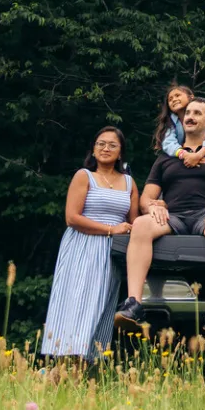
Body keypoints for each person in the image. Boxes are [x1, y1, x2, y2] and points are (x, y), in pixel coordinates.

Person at [115, 99, 205, 331]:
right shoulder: (166, 157)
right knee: (142, 224)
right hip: (172, 215)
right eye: (187, 113)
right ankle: (133, 304)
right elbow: (146, 198)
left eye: (197, 113)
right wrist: (152, 207)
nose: (190, 116)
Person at [40, 126, 140, 361]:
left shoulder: (129, 183)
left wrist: (156, 208)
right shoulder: (84, 176)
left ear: (121, 152)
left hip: (112, 252)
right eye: (101, 144)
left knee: (101, 306)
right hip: (82, 246)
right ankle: (64, 360)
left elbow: (134, 222)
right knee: (77, 303)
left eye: (112, 145)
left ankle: (85, 365)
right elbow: (72, 218)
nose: (106, 148)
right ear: (93, 150)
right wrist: (109, 229)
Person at [153, 84, 205, 167]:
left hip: (202, 151)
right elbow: (168, 143)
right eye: (170, 99)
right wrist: (186, 155)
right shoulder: (170, 123)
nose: (174, 99)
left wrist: (199, 155)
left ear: (191, 97)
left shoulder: (204, 120)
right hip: (179, 156)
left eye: (177, 95)